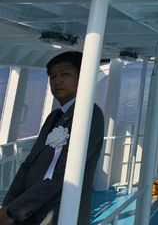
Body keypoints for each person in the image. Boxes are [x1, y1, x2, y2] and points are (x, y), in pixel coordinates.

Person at [0, 51, 104, 225]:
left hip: (58, 214)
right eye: (53, 76)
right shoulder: (54, 116)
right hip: (28, 212)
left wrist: (13, 210)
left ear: (82, 79)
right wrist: (7, 206)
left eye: (65, 74)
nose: (57, 81)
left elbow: (63, 174)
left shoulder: (89, 115)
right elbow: (28, 164)